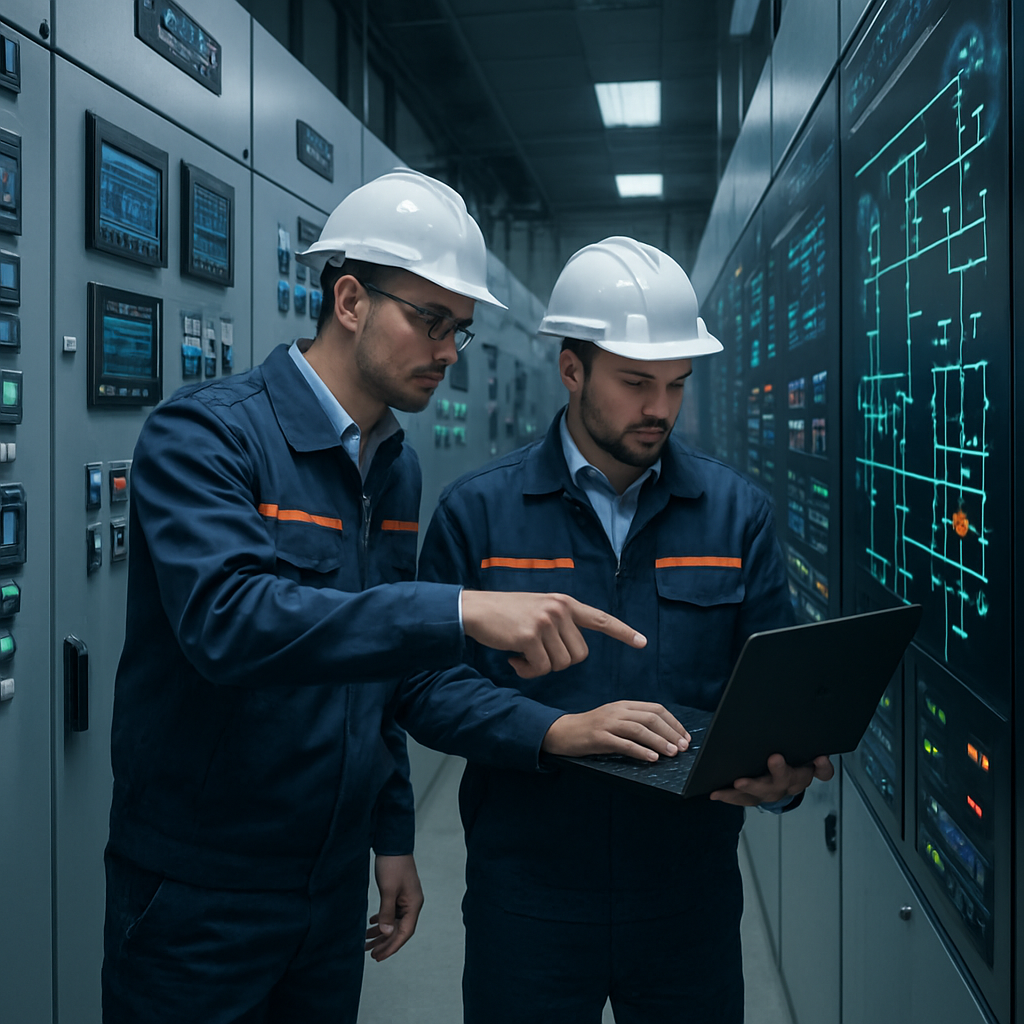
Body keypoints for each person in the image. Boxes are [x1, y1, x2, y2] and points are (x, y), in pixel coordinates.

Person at [101, 177, 690, 1024]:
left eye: (461, 329)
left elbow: (370, 669)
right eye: (432, 321)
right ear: (349, 299)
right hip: (199, 888)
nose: (451, 351)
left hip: (327, 881)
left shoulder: (394, 465)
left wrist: (392, 833)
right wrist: (458, 610)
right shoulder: (207, 435)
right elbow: (228, 623)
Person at [417, 236, 835, 1024]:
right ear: (570, 369)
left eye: (677, 384)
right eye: (636, 382)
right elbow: (425, 688)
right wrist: (555, 731)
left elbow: (774, 693)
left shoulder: (737, 514)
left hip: (687, 902)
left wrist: (780, 781)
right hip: (528, 900)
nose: (661, 409)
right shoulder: (479, 512)